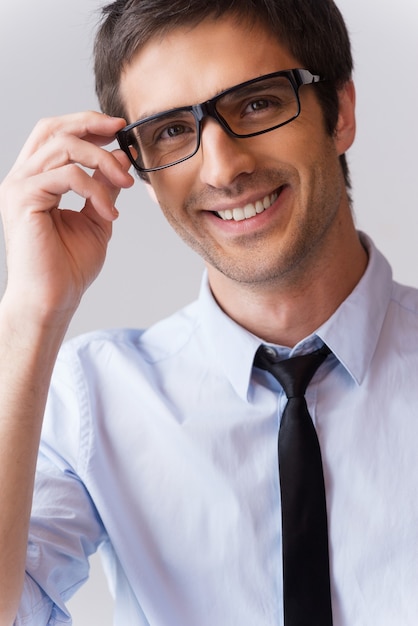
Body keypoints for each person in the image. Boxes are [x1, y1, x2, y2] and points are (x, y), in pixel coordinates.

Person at [0, 0, 417, 624]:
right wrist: (29, 313)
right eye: (170, 130)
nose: (224, 168)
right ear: (135, 166)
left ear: (342, 113)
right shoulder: (90, 399)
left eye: (257, 103)